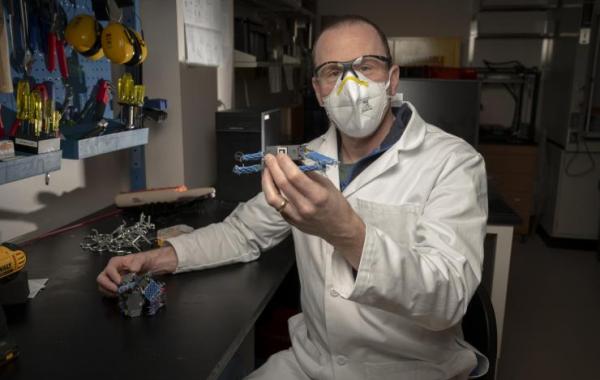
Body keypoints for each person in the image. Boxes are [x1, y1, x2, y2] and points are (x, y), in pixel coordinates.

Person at [98, 15, 488, 380]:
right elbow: (242, 234)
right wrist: (160, 257)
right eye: (333, 72)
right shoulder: (304, 159)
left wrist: (348, 232)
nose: (350, 86)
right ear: (319, 91)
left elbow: (448, 299)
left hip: (410, 370)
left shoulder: (452, 163)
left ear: (392, 78)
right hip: (311, 364)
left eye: (365, 66)